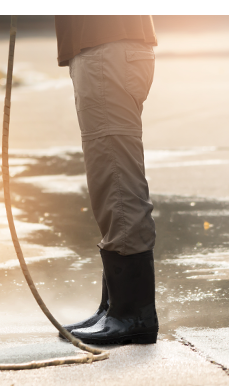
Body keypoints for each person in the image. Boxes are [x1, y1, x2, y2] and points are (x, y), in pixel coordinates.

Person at [54, 16, 159, 345]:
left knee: (114, 180)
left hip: (107, 50)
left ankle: (133, 313)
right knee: (109, 179)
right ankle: (116, 305)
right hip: (106, 50)